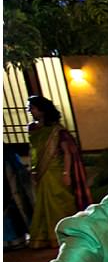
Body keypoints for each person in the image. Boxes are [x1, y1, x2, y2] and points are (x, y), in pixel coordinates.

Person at [26, 95, 90, 249]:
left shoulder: (57, 130)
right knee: (42, 204)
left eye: (32, 108)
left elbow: (67, 152)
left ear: (42, 109)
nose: (30, 111)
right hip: (40, 172)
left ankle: (65, 235)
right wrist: (31, 168)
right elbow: (32, 150)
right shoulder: (33, 128)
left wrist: (66, 173)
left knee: (59, 202)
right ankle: (44, 237)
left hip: (56, 171)